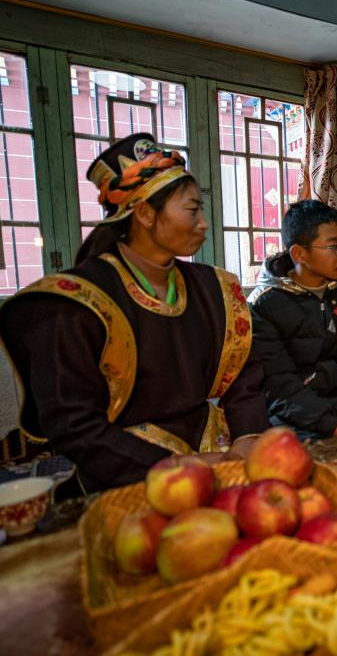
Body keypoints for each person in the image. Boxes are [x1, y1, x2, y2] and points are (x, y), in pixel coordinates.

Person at [0, 133, 270, 491]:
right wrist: (177, 466)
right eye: (192, 210)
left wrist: (248, 435)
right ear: (144, 213)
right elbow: (73, 424)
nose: (203, 222)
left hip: (218, 450)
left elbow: (243, 373)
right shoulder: (74, 303)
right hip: (126, 467)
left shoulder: (213, 288)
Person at [248, 200, 337, 438]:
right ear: (299, 254)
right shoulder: (264, 305)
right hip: (296, 412)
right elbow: (278, 383)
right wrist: (332, 426)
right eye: (334, 246)